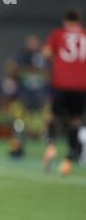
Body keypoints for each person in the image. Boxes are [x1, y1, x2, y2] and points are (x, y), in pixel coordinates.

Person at [41, 9, 86, 176]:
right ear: (79, 21)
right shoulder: (84, 35)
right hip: (81, 86)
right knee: (75, 120)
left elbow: (46, 53)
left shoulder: (58, 34)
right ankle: (68, 159)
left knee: (54, 116)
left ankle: (51, 145)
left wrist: (57, 60)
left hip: (62, 84)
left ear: (65, 21)